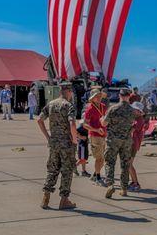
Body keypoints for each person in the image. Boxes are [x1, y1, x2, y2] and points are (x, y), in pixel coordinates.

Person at [38, 82, 77, 210]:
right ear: (69, 91)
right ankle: (64, 200)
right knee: (67, 171)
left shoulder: (51, 104)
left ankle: (46, 198)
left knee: (52, 169)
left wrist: (48, 137)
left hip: (54, 143)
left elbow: (39, 120)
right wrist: (75, 140)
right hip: (66, 144)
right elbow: (72, 123)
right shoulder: (68, 105)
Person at [101, 88, 136, 198]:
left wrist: (102, 119)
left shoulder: (113, 108)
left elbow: (104, 123)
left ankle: (110, 185)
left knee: (110, 162)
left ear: (120, 96)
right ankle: (124, 189)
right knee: (125, 164)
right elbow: (133, 124)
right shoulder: (132, 110)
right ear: (129, 96)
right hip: (126, 141)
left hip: (113, 140)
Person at [83, 88, 107, 186]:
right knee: (99, 158)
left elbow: (106, 120)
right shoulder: (90, 109)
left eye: (100, 96)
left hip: (103, 135)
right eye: (96, 96)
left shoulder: (103, 107)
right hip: (95, 136)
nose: (99, 98)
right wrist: (96, 129)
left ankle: (94, 175)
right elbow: (85, 125)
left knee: (103, 158)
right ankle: (98, 177)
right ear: (92, 98)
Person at [128, 101, 149, 191]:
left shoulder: (139, 120)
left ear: (139, 111)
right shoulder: (137, 118)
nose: (132, 110)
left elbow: (130, 131)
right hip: (133, 143)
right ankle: (133, 182)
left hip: (133, 143)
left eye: (134, 109)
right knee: (128, 164)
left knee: (128, 164)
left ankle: (136, 183)